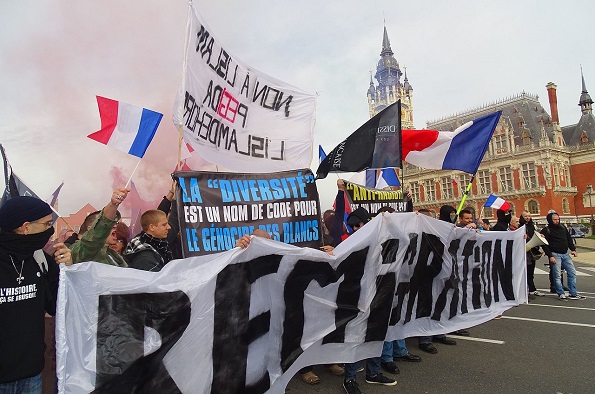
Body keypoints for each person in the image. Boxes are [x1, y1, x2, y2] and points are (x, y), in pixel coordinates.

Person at [0, 196, 72, 393]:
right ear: (25, 227)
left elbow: (58, 304)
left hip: (31, 374)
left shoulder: (41, 260)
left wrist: (67, 271)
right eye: (46, 224)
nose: (50, 231)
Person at [342, 207, 396, 394]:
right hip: (358, 299)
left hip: (380, 296)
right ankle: (349, 379)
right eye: (353, 227)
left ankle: (373, 373)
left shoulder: (382, 240)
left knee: (376, 335)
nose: (356, 229)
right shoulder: (349, 244)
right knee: (355, 338)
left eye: (359, 225)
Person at [70, 188, 129, 267]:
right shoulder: (84, 252)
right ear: (91, 229)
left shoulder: (114, 255)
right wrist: (113, 204)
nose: (114, 225)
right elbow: (98, 233)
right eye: (110, 225)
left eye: (115, 223)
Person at [540, 213, 585, 300]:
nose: (557, 221)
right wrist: (550, 256)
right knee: (557, 275)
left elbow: (568, 239)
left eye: (558, 219)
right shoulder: (546, 230)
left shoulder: (563, 228)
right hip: (555, 254)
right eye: (555, 220)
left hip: (565, 254)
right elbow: (544, 245)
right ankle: (560, 293)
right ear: (550, 220)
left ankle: (573, 293)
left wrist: (573, 249)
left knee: (572, 272)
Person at [519, 211, 543, 298]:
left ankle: (532, 289)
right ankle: (528, 289)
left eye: (529, 216)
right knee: (526, 271)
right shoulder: (520, 226)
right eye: (525, 216)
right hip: (524, 252)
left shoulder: (532, 226)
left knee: (531, 271)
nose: (527, 217)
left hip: (531, 250)